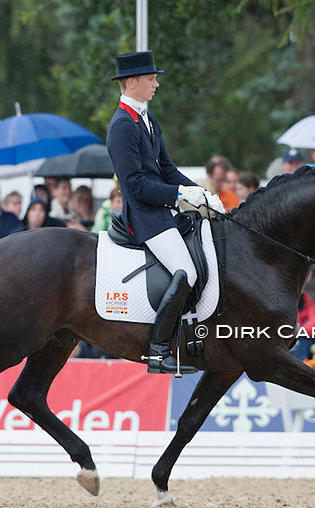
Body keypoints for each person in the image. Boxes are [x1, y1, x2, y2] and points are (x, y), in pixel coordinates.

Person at [106, 50, 224, 375]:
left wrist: (200, 194)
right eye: (151, 78)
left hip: (163, 211)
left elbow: (168, 170)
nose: (156, 84)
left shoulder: (148, 119)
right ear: (132, 83)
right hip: (145, 217)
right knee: (186, 271)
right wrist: (179, 196)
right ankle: (158, 350)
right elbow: (135, 185)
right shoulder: (121, 126)